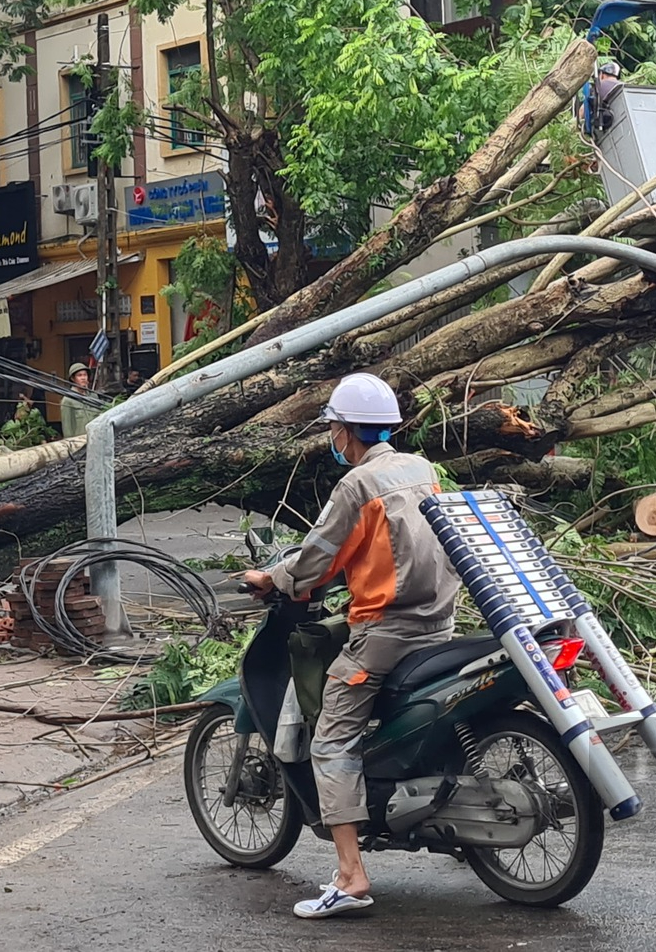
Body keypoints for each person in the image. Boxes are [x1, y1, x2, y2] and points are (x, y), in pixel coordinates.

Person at [237, 373, 458, 920]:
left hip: (387, 631)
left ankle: (350, 876)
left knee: (332, 736)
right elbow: (397, 545)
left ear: (345, 431)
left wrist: (273, 579)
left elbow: (318, 556)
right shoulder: (420, 469)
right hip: (441, 624)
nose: (332, 439)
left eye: (333, 428)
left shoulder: (356, 486)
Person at [579, 59, 624, 136]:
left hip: (606, 127)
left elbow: (582, 111)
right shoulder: (624, 86)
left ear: (602, 75)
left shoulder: (598, 87)